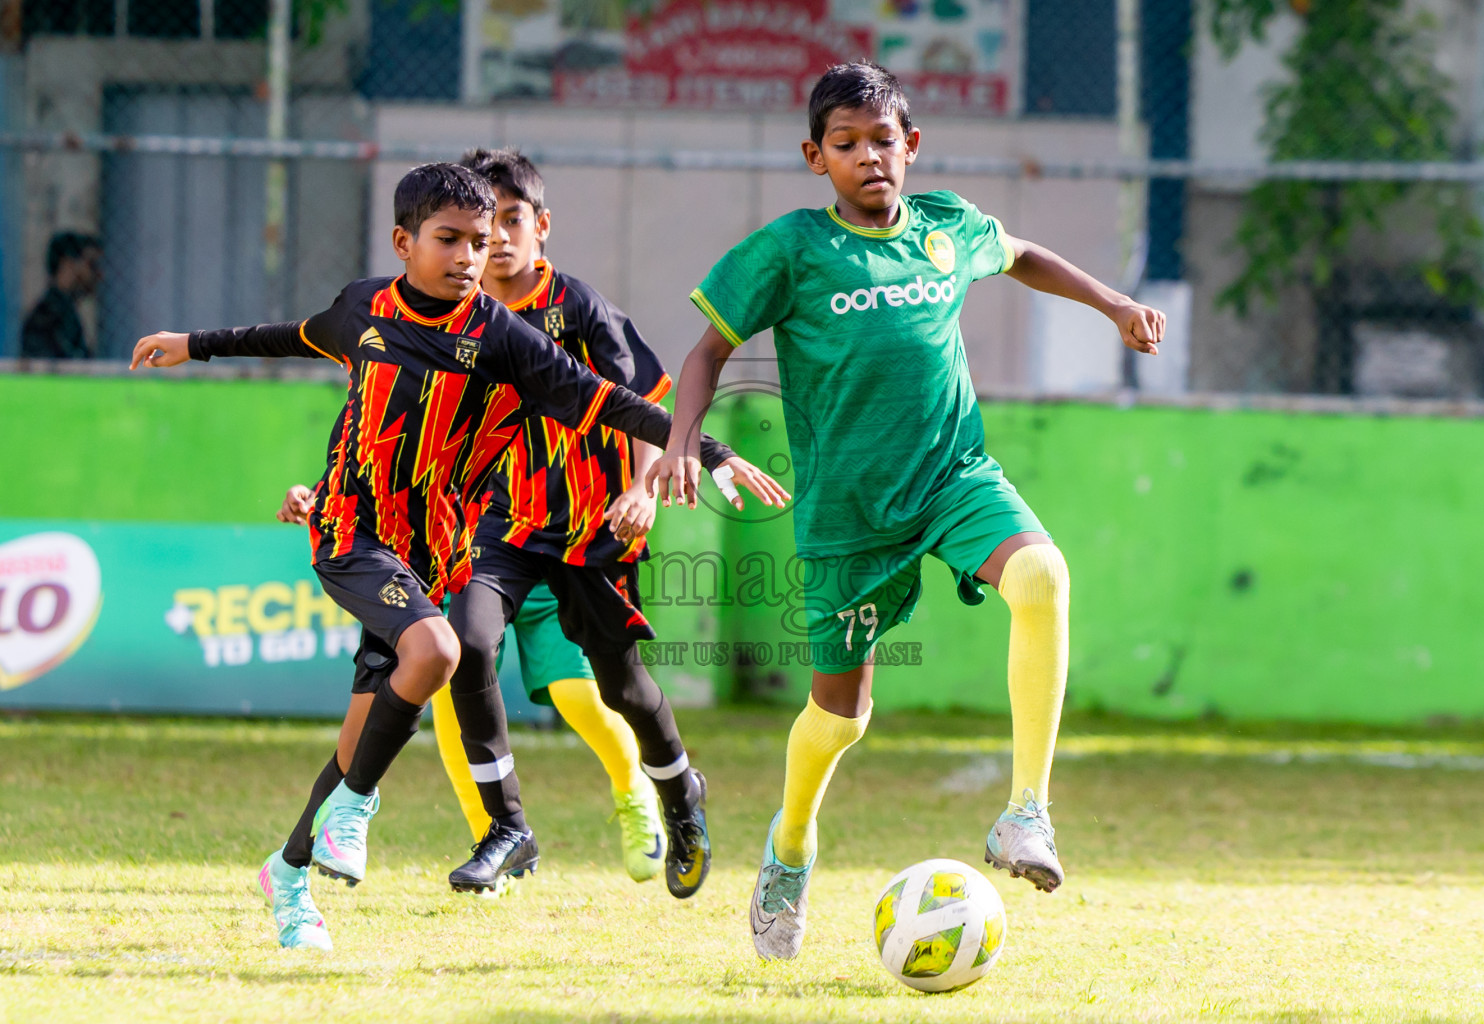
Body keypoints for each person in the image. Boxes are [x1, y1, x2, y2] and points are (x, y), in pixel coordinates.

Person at [128, 162, 744, 952]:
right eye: (449, 240)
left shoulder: (502, 333)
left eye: (480, 242)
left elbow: (604, 399)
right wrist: (196, 345)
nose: (468, 257)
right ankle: (379, 812)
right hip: (360, 537)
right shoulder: (364, 308)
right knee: (446, 647)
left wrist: (709, 449)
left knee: (365, 738)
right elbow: (291, 335)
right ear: (404, 242)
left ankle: (290, 874)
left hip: (446, 554)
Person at [648, 61, 1167, 961]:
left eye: (882, 140)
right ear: (817, 158)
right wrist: (683, 435)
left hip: (952, 477)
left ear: (911, 145)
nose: (868, 158)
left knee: (1043, 574)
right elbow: (705, 352)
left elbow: (1021, 254)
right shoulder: (791, 250)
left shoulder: (948, 227)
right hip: (848, 513)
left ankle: (1025, 812)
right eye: (845, 145)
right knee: (842, 719)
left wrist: (1113, 302)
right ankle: (792, 845)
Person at [426, 147, 787, 898]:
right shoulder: (452, 321)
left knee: (620, 688)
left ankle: (680, 798)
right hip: (503, 526)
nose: (495, 238)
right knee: (465, 644)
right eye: (481, 224)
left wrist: (652, 486)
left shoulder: (579, 309)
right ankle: (506, 828)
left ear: (542, 227)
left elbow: (646, 404)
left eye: (512, 220)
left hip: (596, 529)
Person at [20, 231, 101, 359]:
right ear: (68, 264)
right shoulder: (48, 316)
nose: (98, 274)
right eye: (91, 265)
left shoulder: (64, 310)